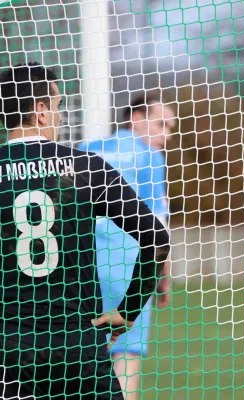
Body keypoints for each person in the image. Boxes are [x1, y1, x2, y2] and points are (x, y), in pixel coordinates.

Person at [0, 62, 170, 400]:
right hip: (78, 344)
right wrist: (129, 310)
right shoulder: (88, 168)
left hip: (5, 348)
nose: (61, 117)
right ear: (41, 111)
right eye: (58, 107)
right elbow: (157, 238)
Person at [79, 94, 175, 399]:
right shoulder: (149, 156)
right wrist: (162, 279)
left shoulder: (85, 151)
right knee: (125, 358)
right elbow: (158, 227)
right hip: (129, 270)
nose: (167, 134)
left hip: (81, 272)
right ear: (135, 117)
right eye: (162, 124)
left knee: (82, 360)